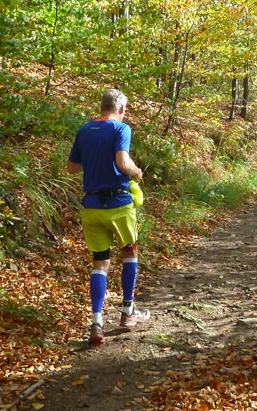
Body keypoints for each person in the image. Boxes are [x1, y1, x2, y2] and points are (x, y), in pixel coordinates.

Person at [67, 89, 150, 345]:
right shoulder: (120, 129)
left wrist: (96, 162)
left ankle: (97, 323)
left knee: (100, 263)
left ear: (101, 107)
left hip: (92, 207)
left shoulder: (84, 130)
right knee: (130, 253)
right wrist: (136, 172)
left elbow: (72, 167)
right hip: (118, 204)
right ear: (121, 109)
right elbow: (123, 163)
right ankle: (128, 312)